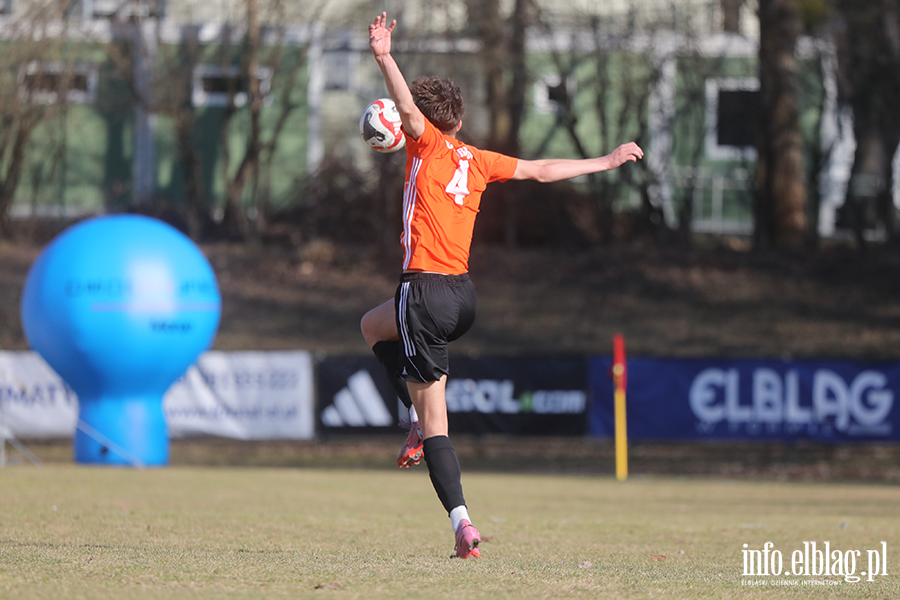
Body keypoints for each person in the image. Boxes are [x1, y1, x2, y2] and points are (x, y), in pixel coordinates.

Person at [360, 12, 644, 559]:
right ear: (460, 124)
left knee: (436, 421)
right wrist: (605, 162)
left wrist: (384, 57)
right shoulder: (477, 158)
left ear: (420, 122)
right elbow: (540, 170)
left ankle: (462, 522)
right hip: (462, 297)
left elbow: (410, 112)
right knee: (373, 326)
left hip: (424, 294)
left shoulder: (424, 146)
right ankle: (412, 422)